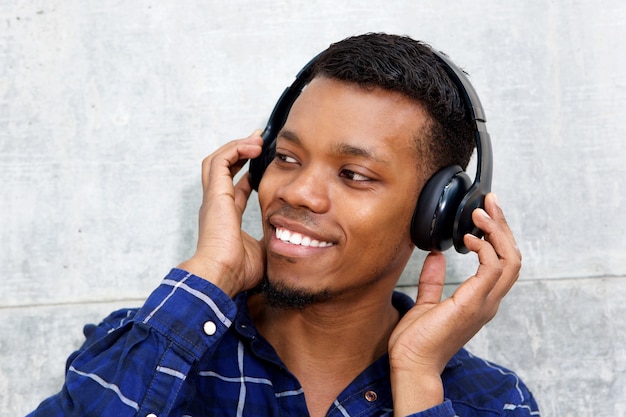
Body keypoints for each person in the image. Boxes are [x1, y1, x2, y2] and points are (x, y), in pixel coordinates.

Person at [28, 33, 539, 416]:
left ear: (438, 214)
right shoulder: (147, 346)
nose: (294, 192)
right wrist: (211, 273)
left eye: (353, 174)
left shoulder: (493, 402)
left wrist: (417, 378)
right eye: (288, 158)